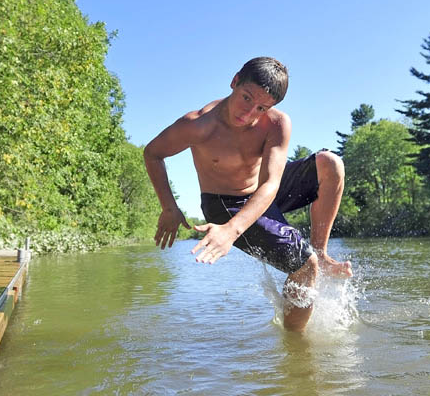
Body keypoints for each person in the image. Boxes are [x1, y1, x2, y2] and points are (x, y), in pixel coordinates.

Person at [143, 57, 353, 332]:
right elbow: (153, 153)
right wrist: (169, 207)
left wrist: (234, 231)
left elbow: (269, 185)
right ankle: (295, 348)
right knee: (305, 267)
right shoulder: (198, 124)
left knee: (331, 163)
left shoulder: (276, 124)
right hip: (225, 203)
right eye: (246, 98)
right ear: (234, 81)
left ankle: (322, 253)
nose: (249, 112)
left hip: (265, 188)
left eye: (262, 107)